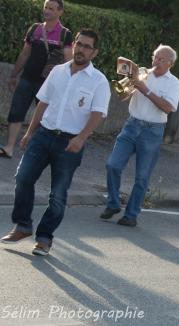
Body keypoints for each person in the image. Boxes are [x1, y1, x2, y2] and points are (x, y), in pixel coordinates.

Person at [1, 29, 108, 256]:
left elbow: (98, 113)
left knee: (58, 195)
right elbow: (43, 102)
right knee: (22, 178)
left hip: (69, 143)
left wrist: (81, 138)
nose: (81, 49)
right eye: (79, 43)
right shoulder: (58, 71)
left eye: (87, 46)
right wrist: (30, 132)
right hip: (44, 135)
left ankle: (44, 238)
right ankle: (22, 226)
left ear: (95, 52)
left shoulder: (99, 81)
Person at [99, 45, 179, 227]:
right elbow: (122, 97)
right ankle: (113, 204)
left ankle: (131, 215)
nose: (156, 62)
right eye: (155, 57)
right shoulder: (143, 73)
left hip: (153, 130)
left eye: (161, 59)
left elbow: (168, 107)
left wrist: (145, 89)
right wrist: (128, 84)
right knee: (112, 165)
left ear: (170, 64)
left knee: (142, 176)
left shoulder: (173, 82)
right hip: (132, 124)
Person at [3, 0, 73, 159]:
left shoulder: (65, 34)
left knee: (43, 118)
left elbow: (69, 61)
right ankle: (9, 147)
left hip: (48, 84)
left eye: (51, 8)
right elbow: (24, 54)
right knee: (16, 111)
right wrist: (14, 75)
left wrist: (66, 84)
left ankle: (33, 151)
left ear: (60, 12)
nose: (47, 11)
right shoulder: (35, 29)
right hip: (27, 78)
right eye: (46, 8)